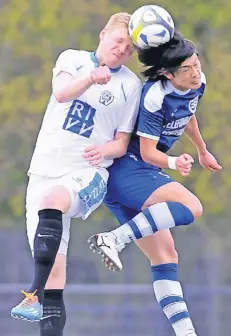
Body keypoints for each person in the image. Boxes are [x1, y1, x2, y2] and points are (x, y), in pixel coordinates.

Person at [11, 12, 142, 335]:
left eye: (129, 49)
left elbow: (122, 142)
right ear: (103, 35)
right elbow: (61, 93)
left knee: (54, 201)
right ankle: (41, 299)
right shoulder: (72, 59)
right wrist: (90, 78)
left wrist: (106, 151)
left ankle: (31, 294)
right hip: (43, 172)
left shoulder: (130, 85)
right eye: (119, 42)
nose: (122, 50)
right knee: (55, 277)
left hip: (88, 172)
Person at [88, 32, 222, 336]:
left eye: (197, 64)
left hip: (132, 174)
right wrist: (176, 162)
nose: (196, 72)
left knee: (165, 256)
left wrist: (202, 150)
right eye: (186, 70)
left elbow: (188, 115)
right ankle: (115, 239)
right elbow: (148, 153)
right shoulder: (154, 96)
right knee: (191, 206)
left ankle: (185, 332)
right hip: (130, 169)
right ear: (167, 74)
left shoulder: (198, 83)